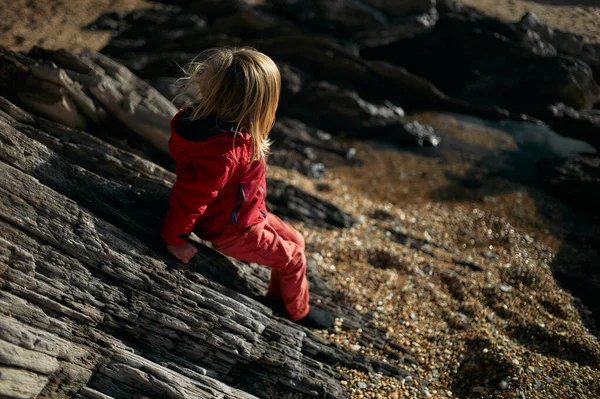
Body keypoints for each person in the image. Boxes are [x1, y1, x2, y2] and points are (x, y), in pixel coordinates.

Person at [161, 47, 335, 330]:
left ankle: (279, 299)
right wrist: (174, 240)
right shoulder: (224, 152)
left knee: (298, 241)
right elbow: (191, 196)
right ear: (257, 104)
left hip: (249, 213)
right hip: (232, 231)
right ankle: (298, 313)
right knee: (293, 259)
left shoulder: (215, 127)